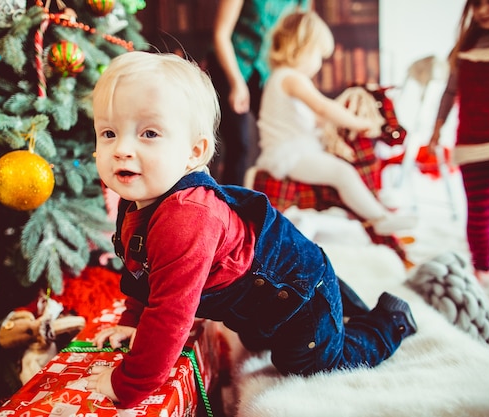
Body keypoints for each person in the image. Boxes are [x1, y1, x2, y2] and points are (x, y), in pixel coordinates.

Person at [85, 50, 417, 408]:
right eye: (109, 132)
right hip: (263, 300)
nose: (121, 149)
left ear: (194, 153)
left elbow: (170, 313)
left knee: (311, 362)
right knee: (260, 339)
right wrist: (133, 322)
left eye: (149, 133)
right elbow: (144, 273)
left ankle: (391, 319)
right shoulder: (137, 199)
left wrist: (130, 383)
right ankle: (343, 308)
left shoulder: (186, 216)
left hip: (299, 293)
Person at [255, 10, 417, 236]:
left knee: (340, 169)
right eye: (318, 56)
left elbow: (316, 119)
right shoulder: (291, 78)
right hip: (289, 156)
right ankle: (379, 218)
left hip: (294, 151)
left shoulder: (280, 78)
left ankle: (374, 212)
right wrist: (359, 123)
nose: (320, 64)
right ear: (302, 47)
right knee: (342, 173)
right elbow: (323, 108)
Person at [427, 0, 489, 282]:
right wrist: (437, 128)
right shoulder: (464, 48)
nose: (483, 10)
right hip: (473, 141)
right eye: (477, 4)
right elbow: (450, 93)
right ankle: (481, 268)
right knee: (480, 209)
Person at [206, 0, 310, 185]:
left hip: (267, 71)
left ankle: (277, 198)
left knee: (281, 136)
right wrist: (236, 82)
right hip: (230, 65)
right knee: (240, 144)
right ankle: (231, 206)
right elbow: (221, 34)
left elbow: (302, 34)